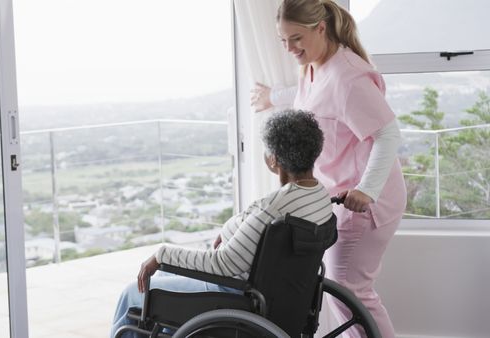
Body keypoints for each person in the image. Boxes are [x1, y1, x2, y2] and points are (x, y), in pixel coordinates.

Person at [251, 1, 407, 337]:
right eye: (283, 41)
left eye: (296, 38)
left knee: (352, 293)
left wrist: (367, 190)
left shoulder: (348, 77)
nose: (290, 49)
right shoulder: (315, 65)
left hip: (365, 202)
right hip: (340, 194)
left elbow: (388, 134)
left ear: (320, 28)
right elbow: (313, 100)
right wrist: (272, 98)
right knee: (344, 292)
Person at [110, 110, 332, 338]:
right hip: (282, 295)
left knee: (131, 294)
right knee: (159, 281)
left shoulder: (276, 207)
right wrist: (232, 229)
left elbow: (223, 264)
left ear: (274, 159)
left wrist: (162, 254)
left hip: (233, 294)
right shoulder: (319, 196)